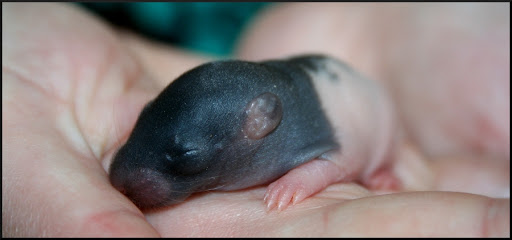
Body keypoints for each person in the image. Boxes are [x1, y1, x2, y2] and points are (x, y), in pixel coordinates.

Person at [2, 2, 509, 237]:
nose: (127, 172)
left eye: (184, 161)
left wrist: (309, 177)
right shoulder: (246, 113)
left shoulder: (311, 123)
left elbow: (336, 154)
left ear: (259, 124)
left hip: (367, 110)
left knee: (377, 146)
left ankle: (388, 162)